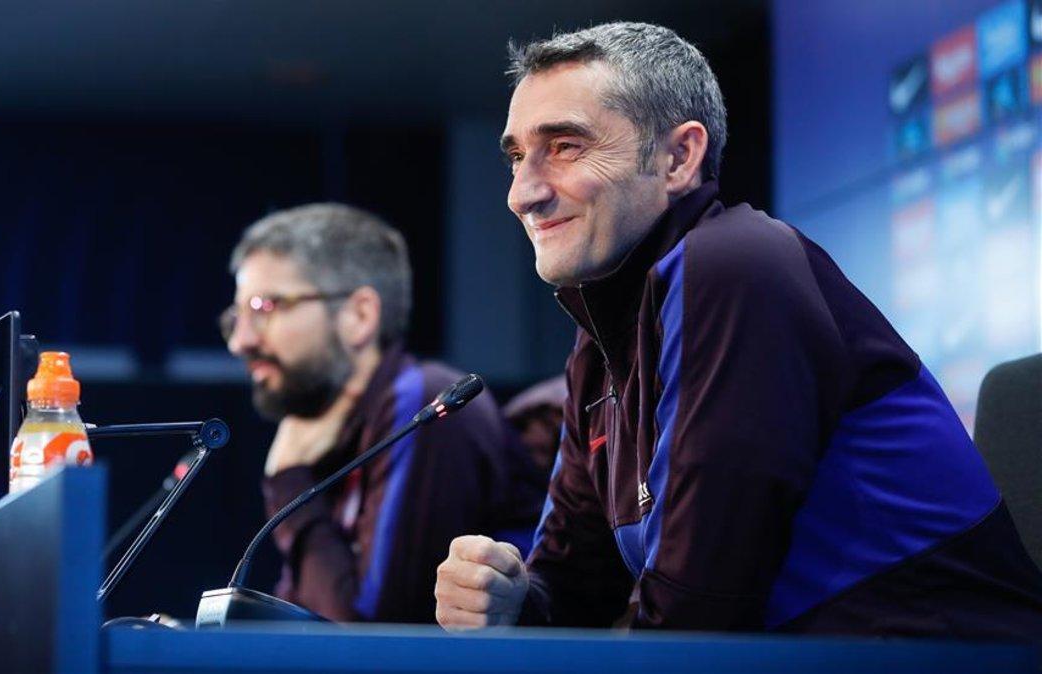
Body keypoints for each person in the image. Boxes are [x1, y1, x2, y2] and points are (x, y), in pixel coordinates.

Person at [434, 22, 1042, 639]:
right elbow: (575, 590)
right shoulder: (600, 343)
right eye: (516, 156)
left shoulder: (736, 266)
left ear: (678, 157)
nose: (523, 193)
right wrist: (514, 599)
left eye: (565, 146)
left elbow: (697, 616)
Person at [223, 203, 545, 623]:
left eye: (264, 307)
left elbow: (366, 636)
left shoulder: (426, 407)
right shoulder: (330, 434)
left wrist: (289, 482)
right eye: (236, 316)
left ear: (359, 315)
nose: (240, 341)